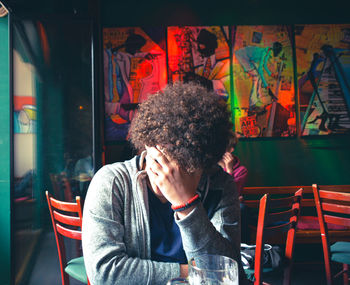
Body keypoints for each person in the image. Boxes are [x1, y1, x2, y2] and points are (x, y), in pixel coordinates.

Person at [82, 82, 249, 284]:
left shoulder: (220, 185)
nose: (169, 175)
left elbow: (229, 273)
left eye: (187, 170)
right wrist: (190, 272)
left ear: (205, 164)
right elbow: (105, 273)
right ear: (148, 145)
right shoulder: (112, 182)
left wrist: (187, 205)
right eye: (163, 161)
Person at [235, 42, 282, 112]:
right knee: (257, 78)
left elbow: (264, 66)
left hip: (249, 58)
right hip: (242, 56)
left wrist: (271, 74)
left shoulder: (268, 51)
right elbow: (260, 70)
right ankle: (252, 105)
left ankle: (257, 100)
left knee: (258, 78)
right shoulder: (265, 53)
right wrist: (266, 85)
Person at [184, 28, 230, 100]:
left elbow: (225, 92)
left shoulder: (225, 65)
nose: (200, 47)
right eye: (199, 44)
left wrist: (206, 83)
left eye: (202, 44)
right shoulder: (198, 69)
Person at [218, 131, 248, 196]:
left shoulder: (241, 171)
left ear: (230, 149)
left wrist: (229, 171)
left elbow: (231, 194)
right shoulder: (209, 167)